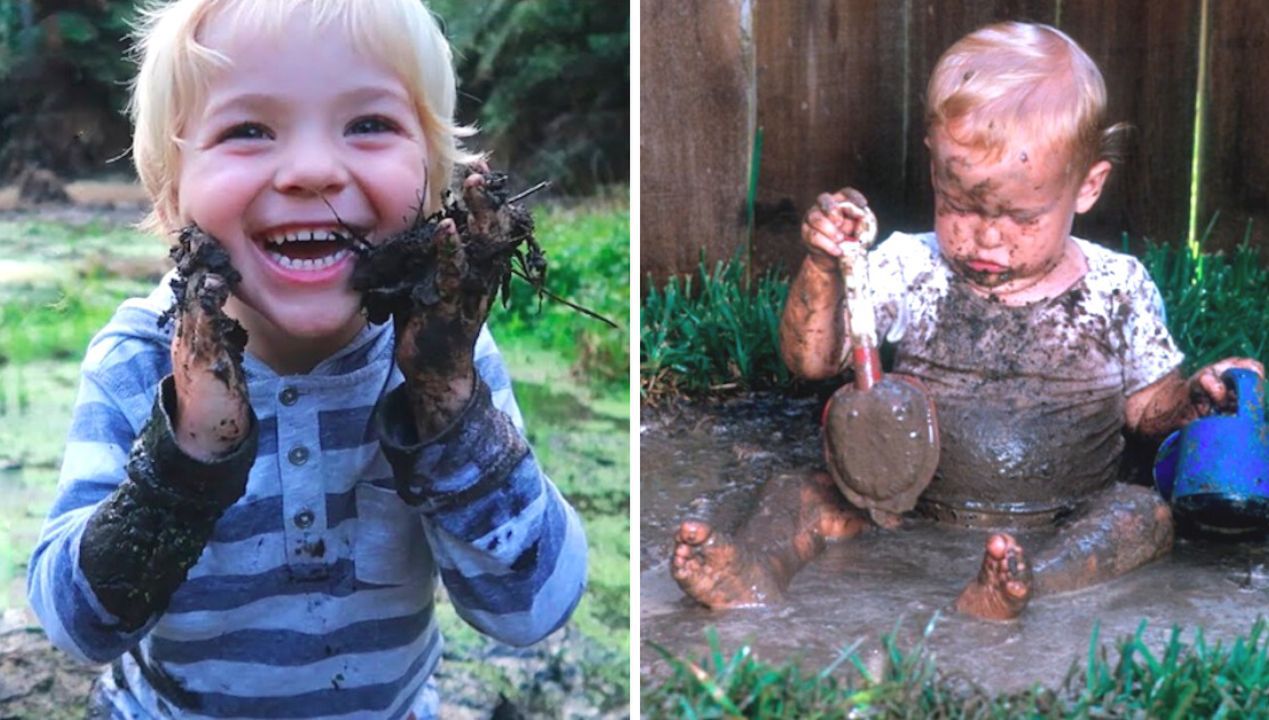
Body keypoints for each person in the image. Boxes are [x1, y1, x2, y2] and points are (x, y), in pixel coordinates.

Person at [26, 1, 587, 717]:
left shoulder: (443, 359)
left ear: (435, 181)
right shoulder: (139, 360)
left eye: (369, 124)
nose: (313, 170)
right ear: (173, 197)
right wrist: (186, 460)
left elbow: (534, 611)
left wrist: (449, 405)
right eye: (248, 130)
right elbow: (76, 630)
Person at [670, 21, 1263, 620]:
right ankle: (755, 569)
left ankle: (1027, 584)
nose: (985, 235)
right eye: (959, 206)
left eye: (1020, 217)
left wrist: (1192, 401)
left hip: (1065, 509)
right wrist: (826, 267)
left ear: (1087, 186)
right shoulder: (913, 267)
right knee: (797, 492)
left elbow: (1147, 411)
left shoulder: (1116, 288)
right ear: (935, 171)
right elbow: (811, 360)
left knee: (1141, 517)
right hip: (901, 502)